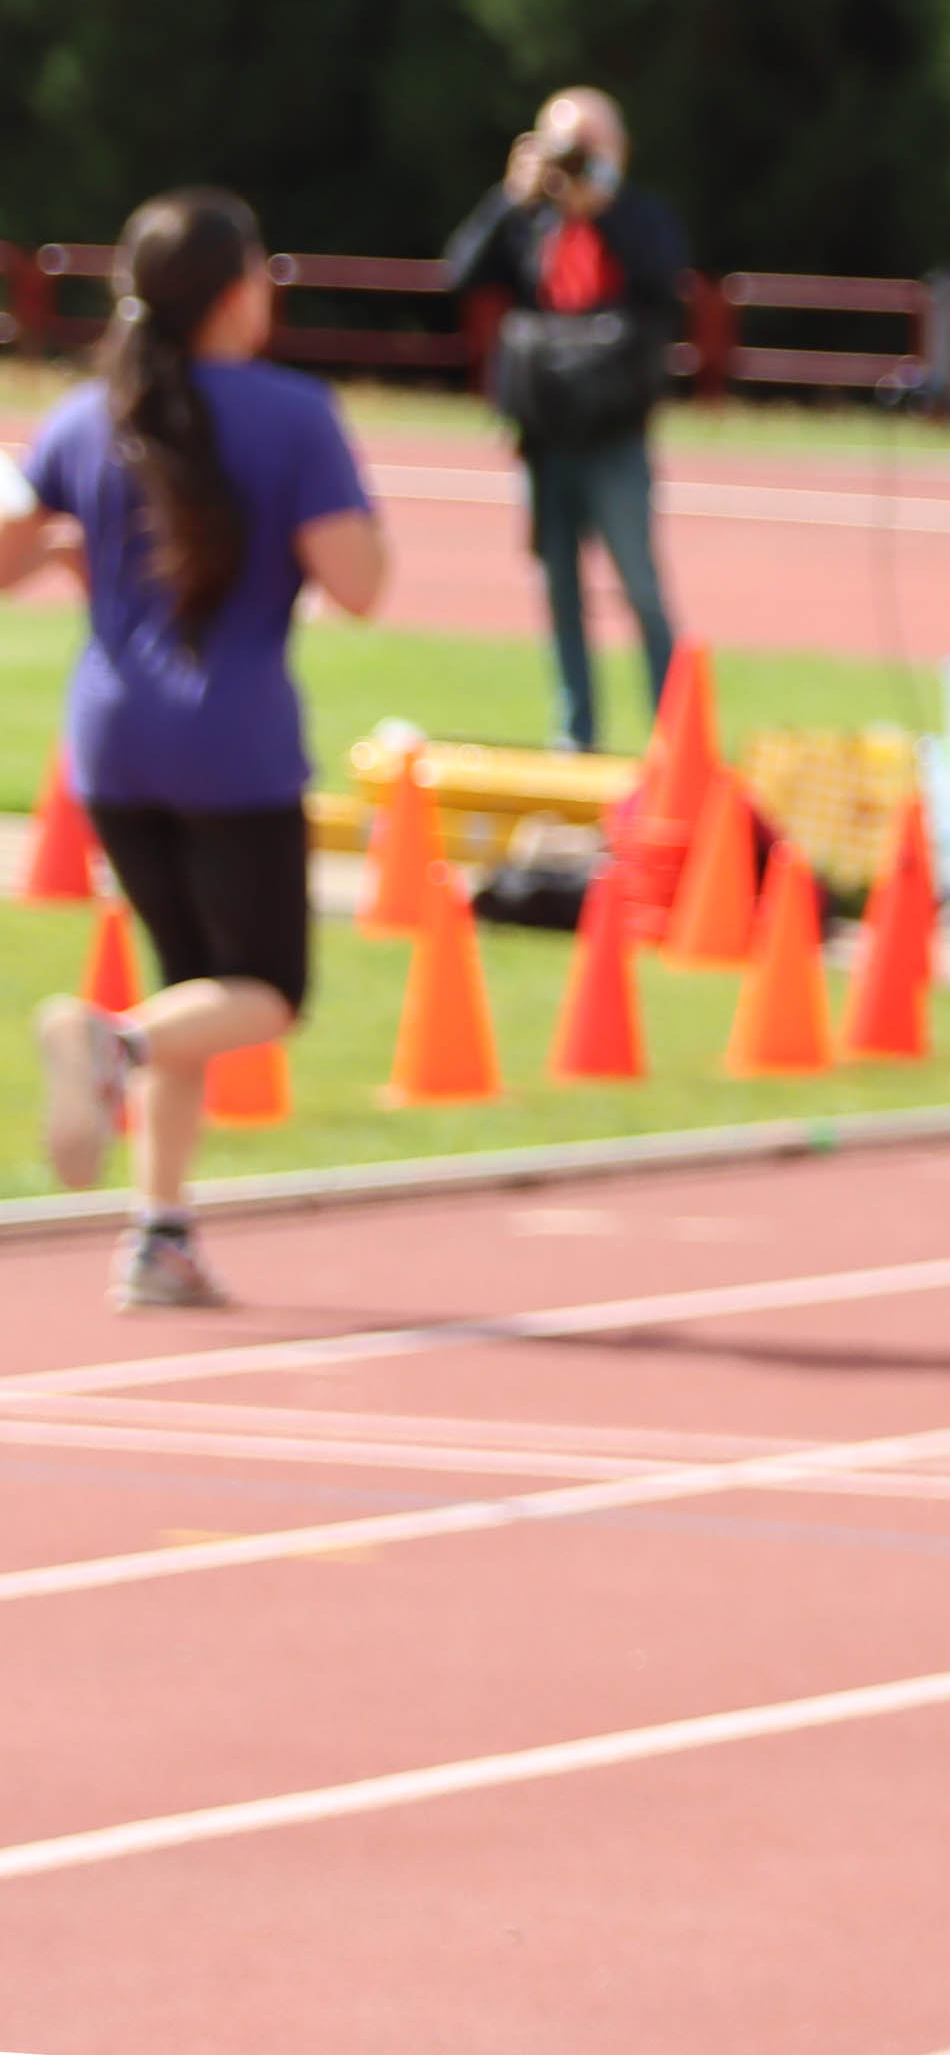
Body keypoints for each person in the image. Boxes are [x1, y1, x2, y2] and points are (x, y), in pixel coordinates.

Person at [2, 193, 389, 1309]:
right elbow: (359, 584)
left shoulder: (89, 415)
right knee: (267, 991)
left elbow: (6, 556)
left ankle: (159, 1234)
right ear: (232, 293)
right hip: (234, 742)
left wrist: (72, 545)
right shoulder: (294, 415)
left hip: (113, 745)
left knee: (194, 990)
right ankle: (112, 1046)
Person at [437, 86, 688, 752]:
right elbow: (459, 274)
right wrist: (508, 197)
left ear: (619, 148)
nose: (575, 164)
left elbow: (666, 287)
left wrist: (603, 207)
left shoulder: (642, 216)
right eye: (565, 149)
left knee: (642, 589)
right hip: (546, 437)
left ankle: (673, 739)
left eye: (588, 148)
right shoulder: (528, 219)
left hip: (615, 433)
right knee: (559, 594)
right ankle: (575, 737)